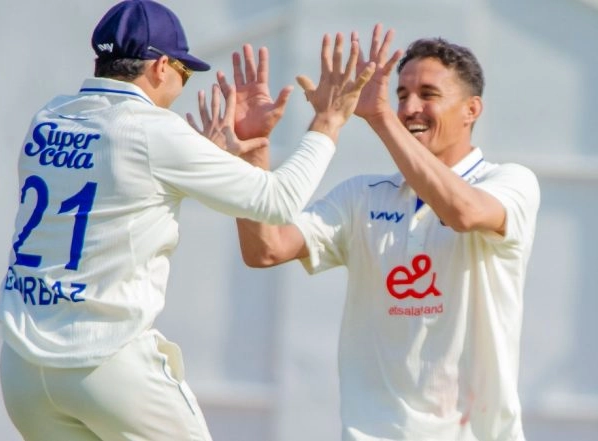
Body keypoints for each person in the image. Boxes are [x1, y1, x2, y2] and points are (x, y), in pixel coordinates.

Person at [0, 0, 377, 439]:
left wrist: (207, 156)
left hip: (22, 370)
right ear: (160, 66)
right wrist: (328, 121)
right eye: (185, 73)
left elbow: (122, 195)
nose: (181, 86)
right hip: (106, 364)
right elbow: (279, 201)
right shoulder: (153, 130)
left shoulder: (48, 118)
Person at [231, 25, 540, 441]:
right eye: (401, 95)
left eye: (428, 95)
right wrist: (250, 162)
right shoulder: (363, 195)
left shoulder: (510, 182)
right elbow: (265, 249)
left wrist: (379, 119)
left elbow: (463, 211)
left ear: (472, 110)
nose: (410, 107)